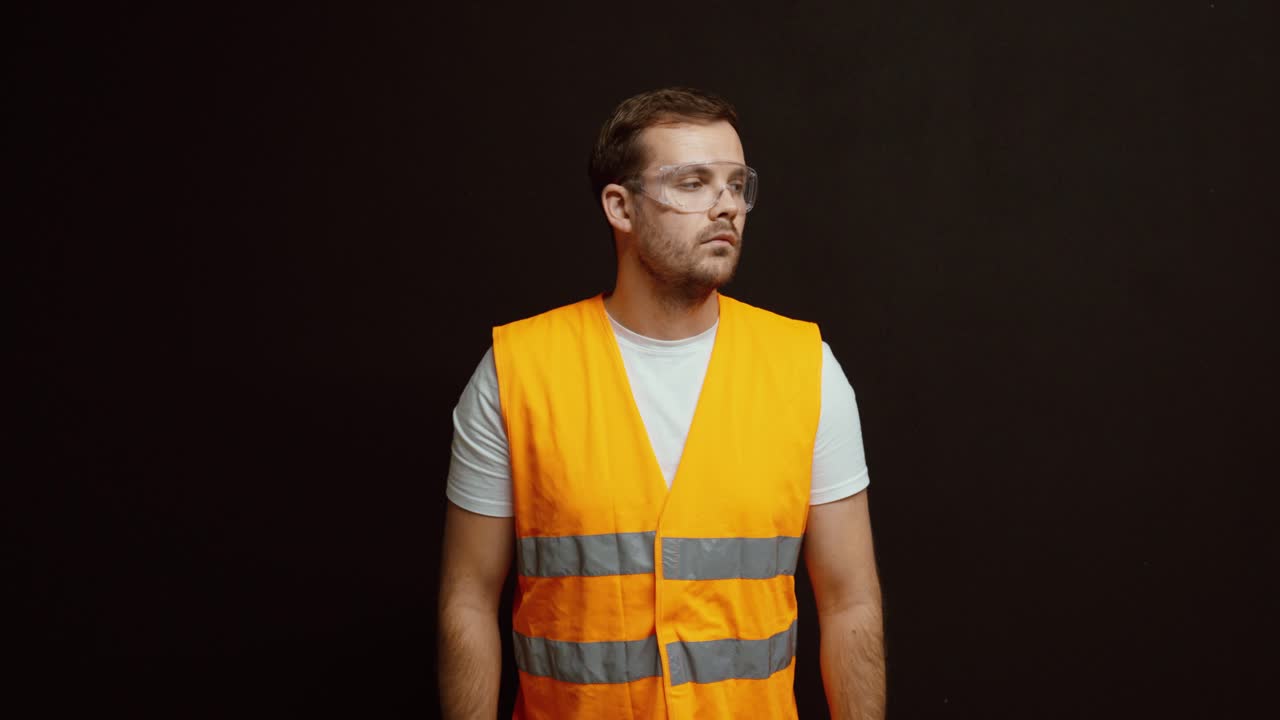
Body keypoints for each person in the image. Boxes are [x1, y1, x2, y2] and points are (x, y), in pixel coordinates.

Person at [438, 87, 884, 720]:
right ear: (620, 207)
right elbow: (468, 598)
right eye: (694, 183)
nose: (726, 206)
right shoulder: (516, 372)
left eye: (737, 185)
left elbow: (850, 602)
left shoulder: (806, 368)